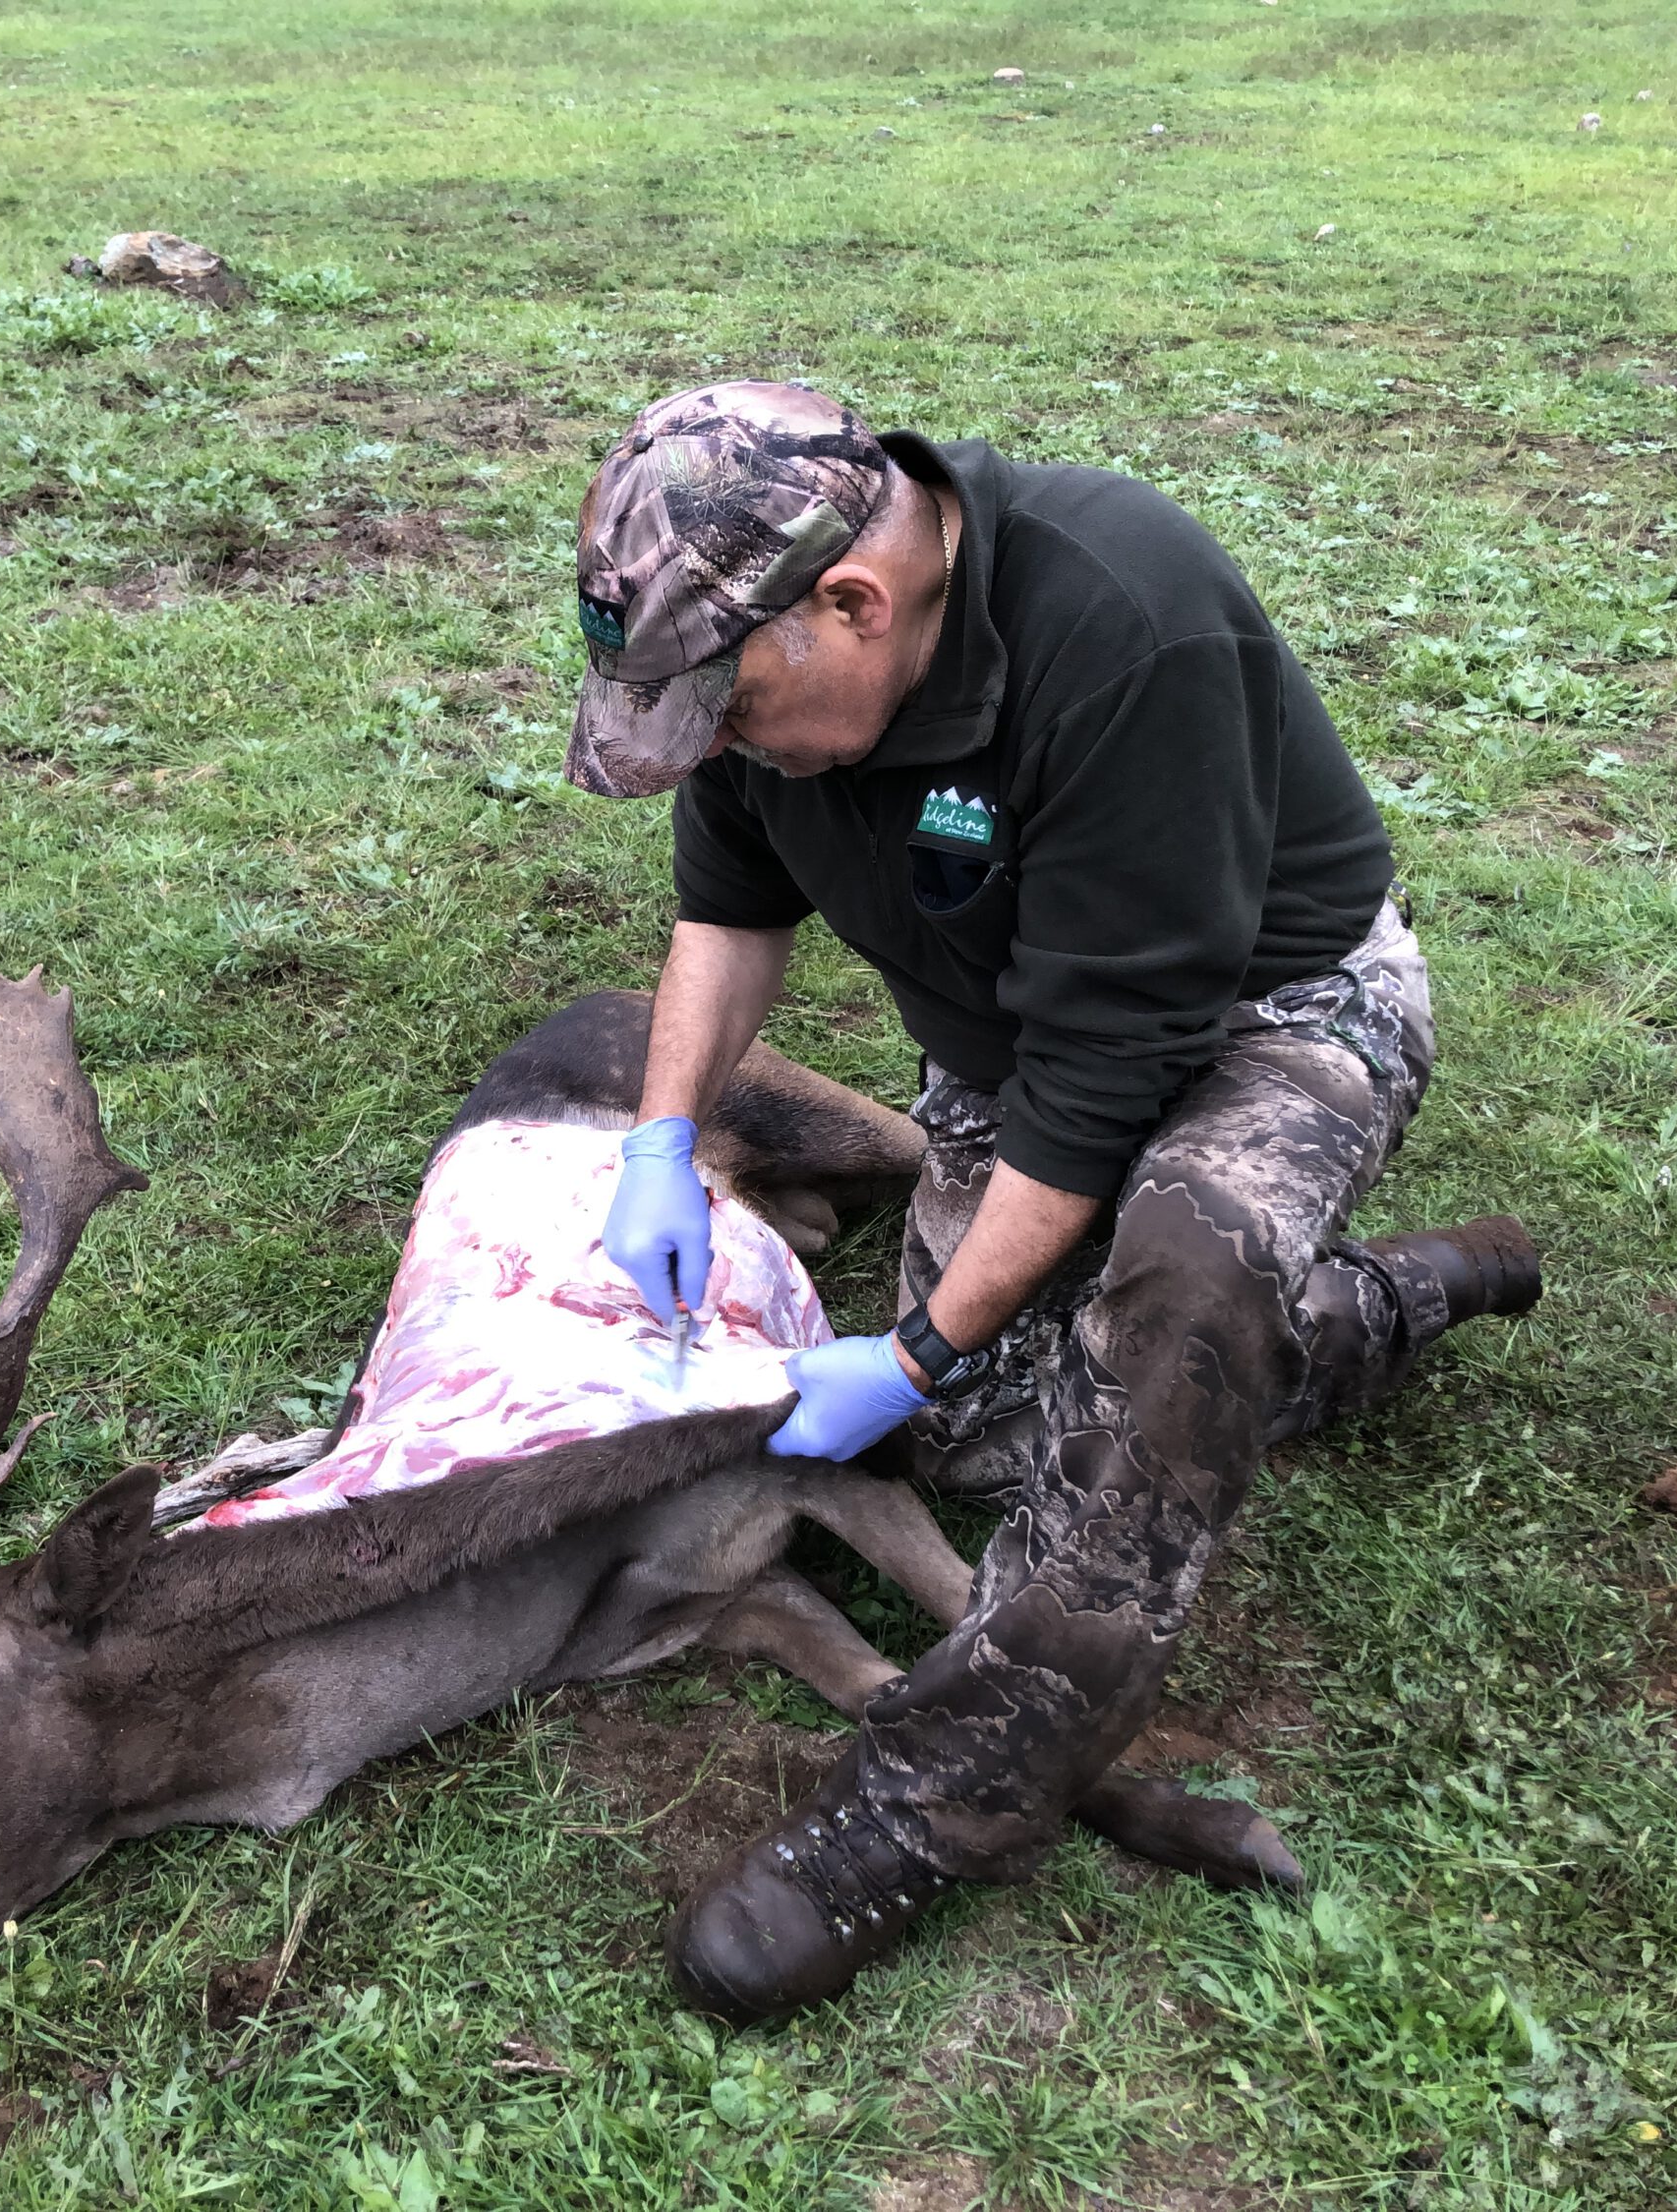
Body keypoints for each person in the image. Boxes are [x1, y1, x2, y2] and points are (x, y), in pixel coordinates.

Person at [569, 382, 1542, 2021]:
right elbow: (728, 914)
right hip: (1017, 1046)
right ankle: (1374, 1309)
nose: (716, 748)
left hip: (1269, 1015)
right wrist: (658, 1142)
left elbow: (1109, 1082)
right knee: (987, 1432)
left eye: (728, 713)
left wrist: (923, 1343)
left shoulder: (1126, 629)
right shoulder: (749, 655)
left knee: (1176, 1286)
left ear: (856, 604)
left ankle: (951, 1793)